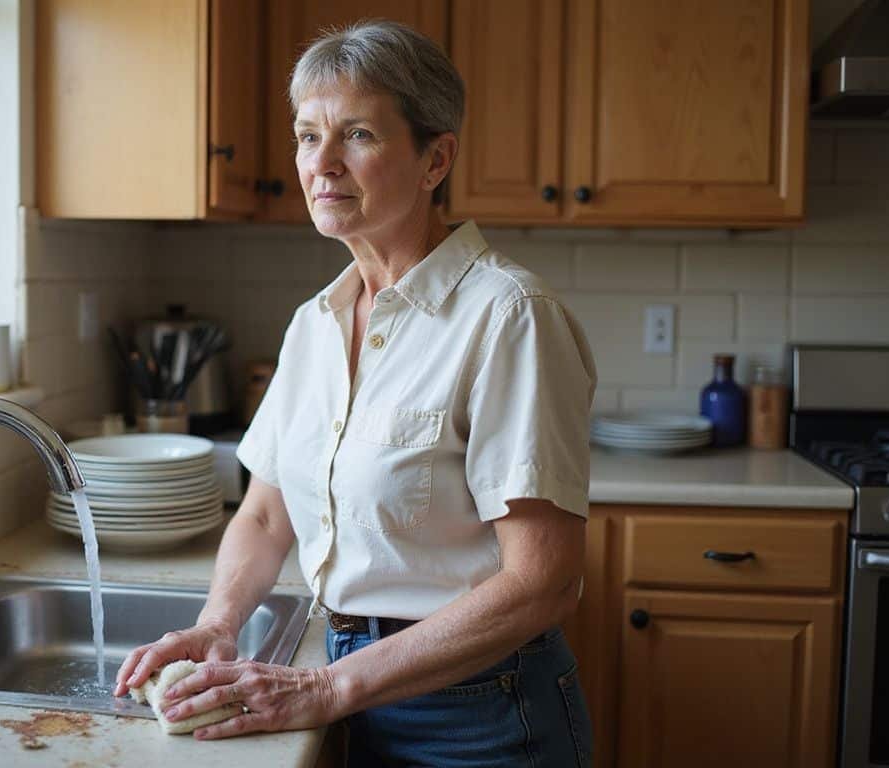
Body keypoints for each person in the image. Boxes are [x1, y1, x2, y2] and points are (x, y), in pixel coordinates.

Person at [113, 19, 596, 767]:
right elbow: (268, 513)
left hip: (482, 715)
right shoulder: (315, 322)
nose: (323, 164)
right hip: (356, 687)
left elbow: (544, 582)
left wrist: (329, 689)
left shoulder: (508, 317)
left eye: (358, 135)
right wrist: (217, 625)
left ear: (436, 159)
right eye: (308, 136)